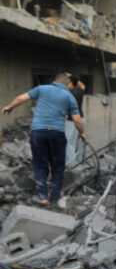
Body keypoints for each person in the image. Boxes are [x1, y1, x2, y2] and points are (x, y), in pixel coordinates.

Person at [2, 73, 87, 206]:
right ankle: (55, 196)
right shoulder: (69, 96)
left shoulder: (41, 89)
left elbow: (21, 98)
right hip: (56, 133)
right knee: (58, 166)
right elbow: (77, 119)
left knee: (40, 164)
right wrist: (82, 133)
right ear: (66, 84)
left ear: (54, 82)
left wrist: (10, 106)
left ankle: (42, 197)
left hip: (38, 132)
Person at [64, 78, 86, 165]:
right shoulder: (80, 91)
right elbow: (83, 85)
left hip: (72, 121)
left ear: (70, 84)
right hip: (82, 119)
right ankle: (79, 164)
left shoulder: (68, 93)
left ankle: (71, 166)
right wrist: (74, 78)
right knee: (80, 143)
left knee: (69, 143)